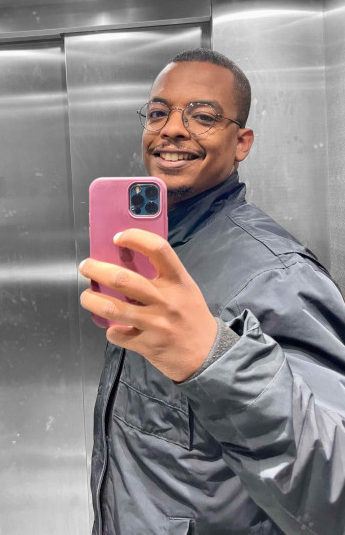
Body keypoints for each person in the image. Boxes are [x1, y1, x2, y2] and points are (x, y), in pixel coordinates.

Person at [79, 49, 345, 535]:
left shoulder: (278, 275)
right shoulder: (155, 250)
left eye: (202, 117)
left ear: (241, 142)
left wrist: (214, 359)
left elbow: (335, 487)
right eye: (158, 113)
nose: (171, 129)